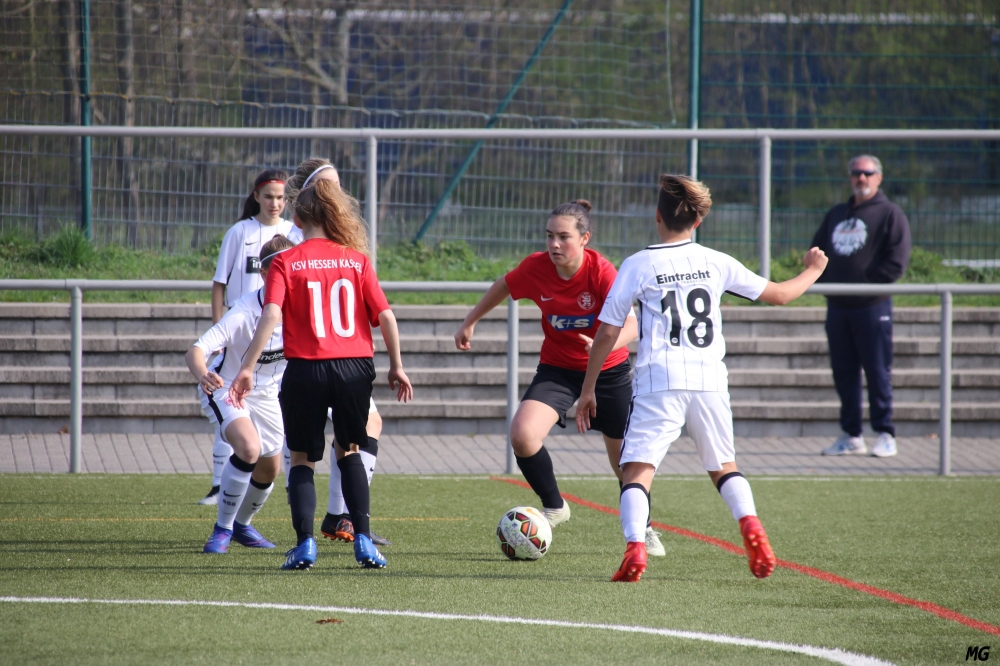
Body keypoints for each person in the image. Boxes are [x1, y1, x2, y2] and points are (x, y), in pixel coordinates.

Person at [577, 174, 829, 583]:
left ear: (657, 217)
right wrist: (815, 269)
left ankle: (635, 547)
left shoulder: (639, 264)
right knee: (724, 467)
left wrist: (588, 388)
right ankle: (750, 524)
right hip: (710, 379)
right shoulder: (715, 261)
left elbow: (607, 333)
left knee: (637, 470)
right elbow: (781, 294)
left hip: (660, 379)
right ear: (697, 222)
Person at [454, 200, 666, 555]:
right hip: (559, 370)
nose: (554, 244)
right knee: (522, 435)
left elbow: (632, 325)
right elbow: (504, 285)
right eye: (549, 235)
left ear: (585, 238)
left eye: (563, 237)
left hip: (608, 372)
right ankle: (554, 506)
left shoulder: (602, 273)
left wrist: (602, 345)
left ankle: (643, 528)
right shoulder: (536, 268)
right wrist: (470, 321)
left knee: (625, 465)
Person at [230, 179, 413, 571]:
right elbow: (385, 315)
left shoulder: (285, 261)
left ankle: (305, 546)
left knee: (301, 459)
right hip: (355, 368)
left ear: (297, 219)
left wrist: (247, 367)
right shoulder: (356, 260)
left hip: (306, 368)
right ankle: (364, 542)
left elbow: (271, 313)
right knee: (350, 450)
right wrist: (397, 366)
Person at [282, 156, 389, 547]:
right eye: (328, 185)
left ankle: (337, 517)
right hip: (305, 352)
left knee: (358, 434)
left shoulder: (340, 243)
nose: (336, 193)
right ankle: (334, 519)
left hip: (334, 355)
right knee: (303, 452)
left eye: (338, 185)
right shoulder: (296, 239)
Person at [197, 169, 301, 505]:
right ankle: (219, 487)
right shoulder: (240, 232)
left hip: (275, 348)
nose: (275, 203)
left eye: (281, 197)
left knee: (275, 433)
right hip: (243, 332)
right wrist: (219, 331)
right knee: (235, 420)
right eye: (268, 196)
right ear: (256, 196)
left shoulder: (293, 233)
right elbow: (220, 283)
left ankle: (288, 483)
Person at [187, 234, 296, 553]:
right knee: (249, 448)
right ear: (264, 274)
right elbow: (196, 351)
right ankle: (222, 529)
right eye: (278, 271)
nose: (287, 277)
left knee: (270, 468)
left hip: (267, 395)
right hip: (227, 388)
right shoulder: (244, 311)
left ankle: (241, 526)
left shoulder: (301, 310)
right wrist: (203, 374)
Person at [811, 155, 911, 458]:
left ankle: (885, 433)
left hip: (872, 307)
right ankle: (851, 435)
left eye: (868, 173)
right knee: (844, 373)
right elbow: (817, 251)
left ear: (879, 177)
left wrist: (867, 286)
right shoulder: (837, 213)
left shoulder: (890, 213)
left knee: (877, 371)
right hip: (838, 307)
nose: (861, 178)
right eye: (856, 172)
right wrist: (826, 281)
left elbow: (897, 260)